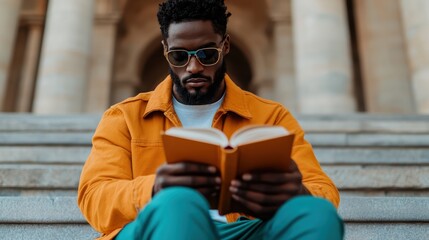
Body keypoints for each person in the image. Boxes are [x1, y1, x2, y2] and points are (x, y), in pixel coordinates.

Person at [78, 0, 344, 239]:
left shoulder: (272, 116)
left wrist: (295, 192)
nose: (194, 67)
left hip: (243, 230)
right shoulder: (123, 117)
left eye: (207, 54)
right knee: (178, 203)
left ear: (224, 45)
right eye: (179, 57)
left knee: (315, 213)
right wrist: (155, 188)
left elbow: (324, 193)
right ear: (165, 50)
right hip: (157, 227)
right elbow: (94, 198)